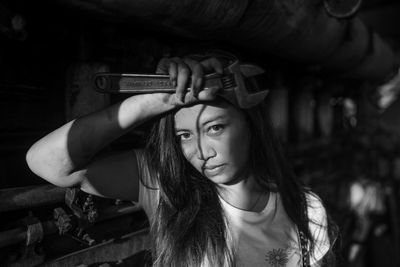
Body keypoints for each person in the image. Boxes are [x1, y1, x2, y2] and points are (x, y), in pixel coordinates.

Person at [26, 53, 337, 267]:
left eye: (215, 128)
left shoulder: (304, 208)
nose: (201, 152)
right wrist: (163, 98)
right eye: (184, 136)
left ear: (251, 126)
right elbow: (47, 162)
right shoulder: (168, 189)